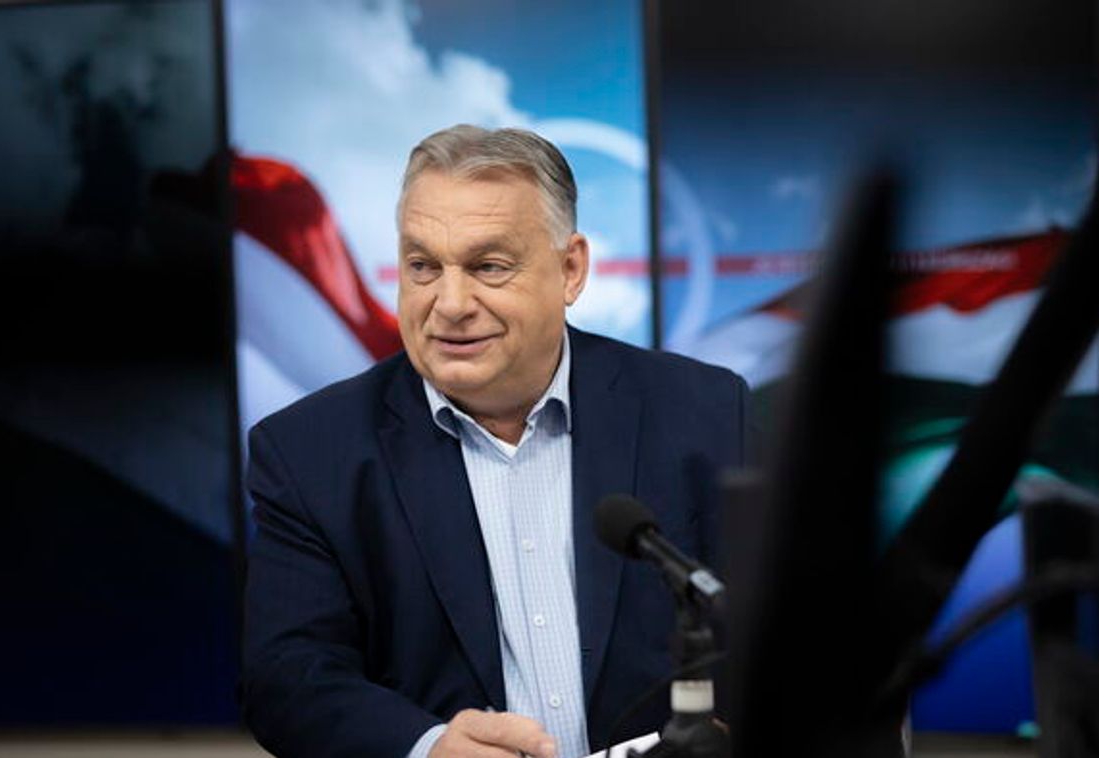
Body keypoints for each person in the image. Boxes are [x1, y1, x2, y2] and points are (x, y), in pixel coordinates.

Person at [240, 125, 750, 758]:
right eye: (423, 266)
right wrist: (426, 748)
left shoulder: (704, 411)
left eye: (488, 266)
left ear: (570, 270)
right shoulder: (308, 453)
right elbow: (288, 676)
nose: (450, 304)